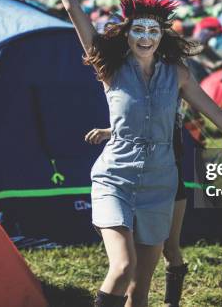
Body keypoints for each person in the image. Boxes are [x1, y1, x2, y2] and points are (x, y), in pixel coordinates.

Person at [36, 0, 222, 306]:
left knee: (140, 291)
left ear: (162, 34)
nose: (145, 36)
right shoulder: (110, 68)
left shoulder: (177, 75)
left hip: (160, 182)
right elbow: (75, 9)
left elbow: (218, 117)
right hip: (116, 177)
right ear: (127, 33)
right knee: (122, 266)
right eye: (138, 29)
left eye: (153, 30)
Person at [85, 104, 188, 307]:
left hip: (169, 181)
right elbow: (135, 124)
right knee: (128, 267)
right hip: (137, 180)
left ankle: (171, 303)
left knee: (171, 248)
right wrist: (108, 132)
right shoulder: (145, 90)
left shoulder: (175, 88)